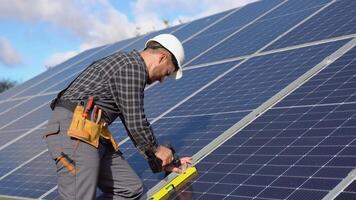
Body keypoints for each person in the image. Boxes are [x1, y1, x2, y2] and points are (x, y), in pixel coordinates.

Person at [43, 33, 192, 200]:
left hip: (93, 132)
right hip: (74, 130)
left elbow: (132, 125)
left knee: (129, 189)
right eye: (166, 72)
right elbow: (136, 122)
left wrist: (161, 161)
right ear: (162, 58)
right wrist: (157, 149)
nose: (162, 79)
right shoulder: (131, 66)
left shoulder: (128, 67)